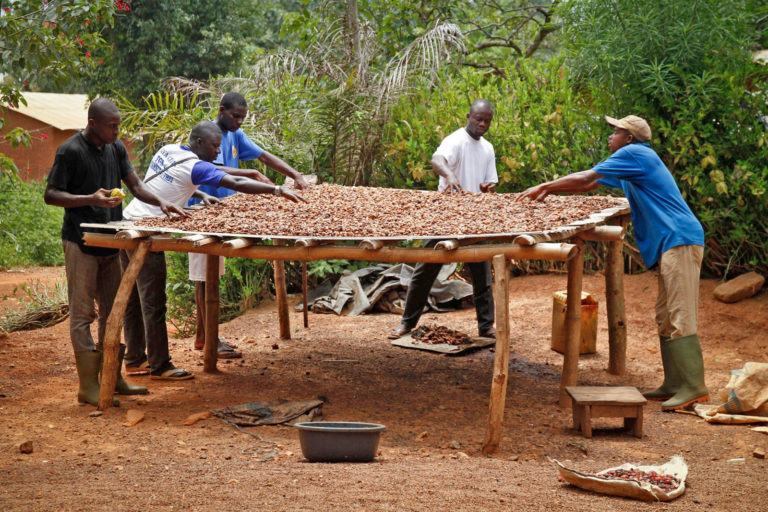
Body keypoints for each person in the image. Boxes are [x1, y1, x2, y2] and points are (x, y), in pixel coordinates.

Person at [517, 115, 708, 411]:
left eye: (616, 132)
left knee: (681, 315)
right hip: (671, 243)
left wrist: (546, 185)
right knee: (665, 316)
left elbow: (584, 178)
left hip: (679, 239)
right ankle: (674, 382)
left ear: (629, 139)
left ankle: (695, 387)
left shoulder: (636, 154)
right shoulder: (633, 162)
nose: (610, 137)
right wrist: (552, 191)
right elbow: (589, 185)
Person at [121, 120, 305, 380]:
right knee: (153, 302)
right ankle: (160, 366)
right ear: (199, 143)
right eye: (215, 147)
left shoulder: (169, 149)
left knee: (132, 301)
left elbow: (165, 185)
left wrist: (197, 195)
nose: (218, 152)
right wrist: (276, 190)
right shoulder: (196, 166)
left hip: (127, 221)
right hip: (145, 232)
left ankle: (134, 359)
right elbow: (235, 184)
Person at [43, 98, 187, 406]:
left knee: (113, 312)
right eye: (112, 126)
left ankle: (113, 375)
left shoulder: (116, 148)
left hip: (112, 239)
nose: (117, 131)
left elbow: (135, 185)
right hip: (81, 241)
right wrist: (89, 199)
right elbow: (51, 195)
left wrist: (161, 203)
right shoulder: (70, 150)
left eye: (118, 125)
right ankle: (87, 386)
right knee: (83, 313)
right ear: (93, 123)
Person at [186, 92, 309, 359]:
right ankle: (210, 340)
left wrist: (295, 175)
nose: (239, 122)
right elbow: (213, 169)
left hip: (225, 213)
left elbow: (264, 157)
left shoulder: (236, 135)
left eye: (243, 117)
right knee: (204, 277)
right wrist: (251, 174)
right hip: (201, 212)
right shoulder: (207, 136)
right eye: (235, 116)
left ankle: (202, 337)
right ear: (221, 111)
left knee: (211, 275)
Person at [388, 99, 498, 341]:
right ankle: (406, 323)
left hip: (474, 219)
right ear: (468, 116)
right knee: (425, 270)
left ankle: (486, 327)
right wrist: (449, 175)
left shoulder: (488, 148)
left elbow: (490, 180)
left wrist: (487, 188)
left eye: (487, 121)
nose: (482, 124)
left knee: (482, 276)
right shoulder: (456, 140)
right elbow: (437, 160)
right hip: (447, 217)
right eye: (478, 119)